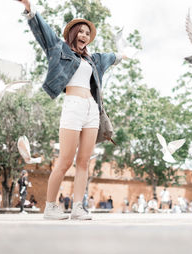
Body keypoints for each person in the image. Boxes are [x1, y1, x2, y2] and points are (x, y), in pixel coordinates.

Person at [16, 0, 125, 220]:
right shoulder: (59, 49)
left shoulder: (94, 60)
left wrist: (122, 52)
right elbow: (43, 32)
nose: (84, 35)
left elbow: (113, 57)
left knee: (84, 161)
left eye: (88, 33)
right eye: (81, 32)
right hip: (73, 107)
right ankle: (50, 207)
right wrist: (30, 8)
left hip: (92, 109)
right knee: (65, 161)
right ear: (73, 33)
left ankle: (78, 207)